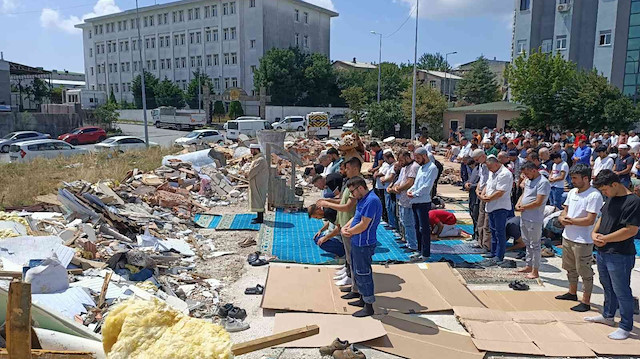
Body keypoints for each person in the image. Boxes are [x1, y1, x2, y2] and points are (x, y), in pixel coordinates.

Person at [585, 170, 640, 340]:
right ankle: (608, 315)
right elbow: (602, 217)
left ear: (615, 185)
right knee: (607, 286)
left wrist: (605, 239)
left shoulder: (633, 202)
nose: (604, 193)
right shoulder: (610, 198)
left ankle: (625, 325)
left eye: (605, 190)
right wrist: (594, 233)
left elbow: (631, 230)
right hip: (603, 251)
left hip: (620, 253)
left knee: (622, 290)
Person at [555, 164, 602, 312]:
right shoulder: (573, 192)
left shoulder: (594, 195)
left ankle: (586, 301)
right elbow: (565, 210)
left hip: (583, 240)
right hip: (568, 236)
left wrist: (570, 221)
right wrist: (562, 218)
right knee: (570, 268)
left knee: (585, 271)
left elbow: (590, 220)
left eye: (575, 178)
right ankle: (572, 292)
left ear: (586, 178)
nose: (572, 181)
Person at [317, 157, 361, 292]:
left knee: (352, 255)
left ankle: (352, 279)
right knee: (348, 255)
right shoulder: (349, 182)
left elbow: (348, 206)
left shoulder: (358, 184)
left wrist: (328, 203)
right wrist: (327, 200)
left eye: (347, 168)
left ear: (354, 168)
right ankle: (347, 272)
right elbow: (342, 200)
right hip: (344, 222)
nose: (345, 171)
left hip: (350, 224)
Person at [341, 176, 382, 318]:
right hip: (357, 241)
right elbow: (356, 217)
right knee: (357, 271)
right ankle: (361, 298)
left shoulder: (371, 201)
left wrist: (349, 232)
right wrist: (347, 226)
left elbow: (364, 224)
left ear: (360, 188)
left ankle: (369, 305)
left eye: (353, 192)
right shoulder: (363, 200)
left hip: (364, 243)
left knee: (363, 273)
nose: (352, 195)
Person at [515, 162, 551, 279]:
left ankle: (535, 270)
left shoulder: (543, 182)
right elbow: (524, 194)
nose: (526, 176)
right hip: (525, 215)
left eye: (527, 173)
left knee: (535, 244)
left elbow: (538, 202)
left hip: (534, 218)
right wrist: (519, 203)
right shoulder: (528, 180)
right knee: (527, 242)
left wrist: (524, 207)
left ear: (534, 170)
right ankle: (528, 265)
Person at [479, 155, 513, 265]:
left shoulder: (505, 174)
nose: (489, 170)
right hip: (491, 206)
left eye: (490, 167)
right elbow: (487, 185)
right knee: (492, 230)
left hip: (500, 207)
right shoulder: (492, 172)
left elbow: (500, 192)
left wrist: (487, 198)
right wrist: (483, 194)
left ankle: (499, 255)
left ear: (496, 164)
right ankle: (493, 252)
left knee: (500, 232)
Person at [408, 147, 438, 260]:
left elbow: (427, 186)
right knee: (417, 227)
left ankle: (425, 253)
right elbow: (417, 183)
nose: (417, 160)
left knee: (424, 228)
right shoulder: (421, 168)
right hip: (415, 201)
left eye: (418, 158)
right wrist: (410, 190)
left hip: (423, 202)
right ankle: (419, 250)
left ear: (424, 156)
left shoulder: (432, 168)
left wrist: (414, 193)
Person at [389, 151, 419, 252]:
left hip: (408, 200)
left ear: (407, 157)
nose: (400, 162)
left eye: (402, 160)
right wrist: (393, 186)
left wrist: (397, 189)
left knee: (409, 222)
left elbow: (410, 183)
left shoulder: (414, 167)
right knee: (403, 221)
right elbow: (400, 180)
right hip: (402, 198)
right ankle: (407, 240)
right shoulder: (405, 167)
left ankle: (413, 244)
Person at [472, 149, 490, 251]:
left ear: (483, 156)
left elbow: (489, 181)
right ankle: (480, 241)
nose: (477, 161)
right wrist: (477, 189)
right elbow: (481, 179)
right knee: (480, 219)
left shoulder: (489, 165)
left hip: (487, 195)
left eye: (477, 159)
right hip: (481, 194)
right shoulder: (481, 165)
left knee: (486, 222)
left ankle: (486, 245)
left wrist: (482, 192)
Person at [247, 144, 268, 224]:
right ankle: (258, 217)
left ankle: (260, 219)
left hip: (259, 182)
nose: (251, 152)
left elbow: (253, 171)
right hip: (256, 182)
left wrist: (247, 174)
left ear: (256, 149)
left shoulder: (260, 160)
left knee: (259, 199)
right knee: (256, 199)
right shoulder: (257, 158)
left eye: (252, 150)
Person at [380, 152, 398, 230]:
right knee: (388, 206)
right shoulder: (390, 165)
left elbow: (391, 177)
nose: (385, 161)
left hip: (390, 189)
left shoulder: (394, 166)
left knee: (391, 207)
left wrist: (384, 179)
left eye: (386, 159)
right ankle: (390, 223)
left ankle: (393, 225)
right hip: (386, 188)